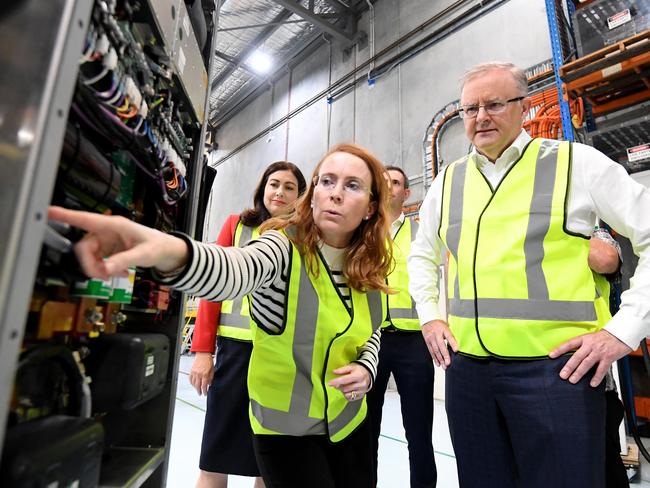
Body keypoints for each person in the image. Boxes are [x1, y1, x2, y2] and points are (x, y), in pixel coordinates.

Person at [49, 142, 394, 488]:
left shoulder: (369, 266)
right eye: (327, 181)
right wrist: (172, 252)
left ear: (370, 208)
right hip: (289, 433)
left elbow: (371, 332)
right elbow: (234, 269)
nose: (335, 194)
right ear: (314, 193)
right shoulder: (282, 246)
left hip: (350, 423)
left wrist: (367, 368)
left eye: (352, 186)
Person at [407, 62, 650, 488]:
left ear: (523, 107)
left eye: (495, 104)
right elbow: (421, 256)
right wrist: (430, 315)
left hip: (557, 372)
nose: (480, 117)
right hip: (469, 373)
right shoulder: (447, 182)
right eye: (469, 109)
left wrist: (622, 332)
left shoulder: (575, 164)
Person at [189, 161, 306, 488]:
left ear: (300, 196)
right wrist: (202, 352)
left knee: (268, 464)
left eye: (289, 187)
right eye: (274, 184)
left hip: (281, 360)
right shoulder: (237, 226)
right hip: (235, 355)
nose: (280, 192)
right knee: (215, 457)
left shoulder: (304, 237)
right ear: (262, 189)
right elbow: (212, 292)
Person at [367, 166, 436, 488]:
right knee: (363, 431)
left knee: (419, 432)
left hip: (413, 342)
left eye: (395, 182)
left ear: (406, 193)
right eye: (383, 181)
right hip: (370, 341)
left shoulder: (420, 232)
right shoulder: (362, 231)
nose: (388, 186)